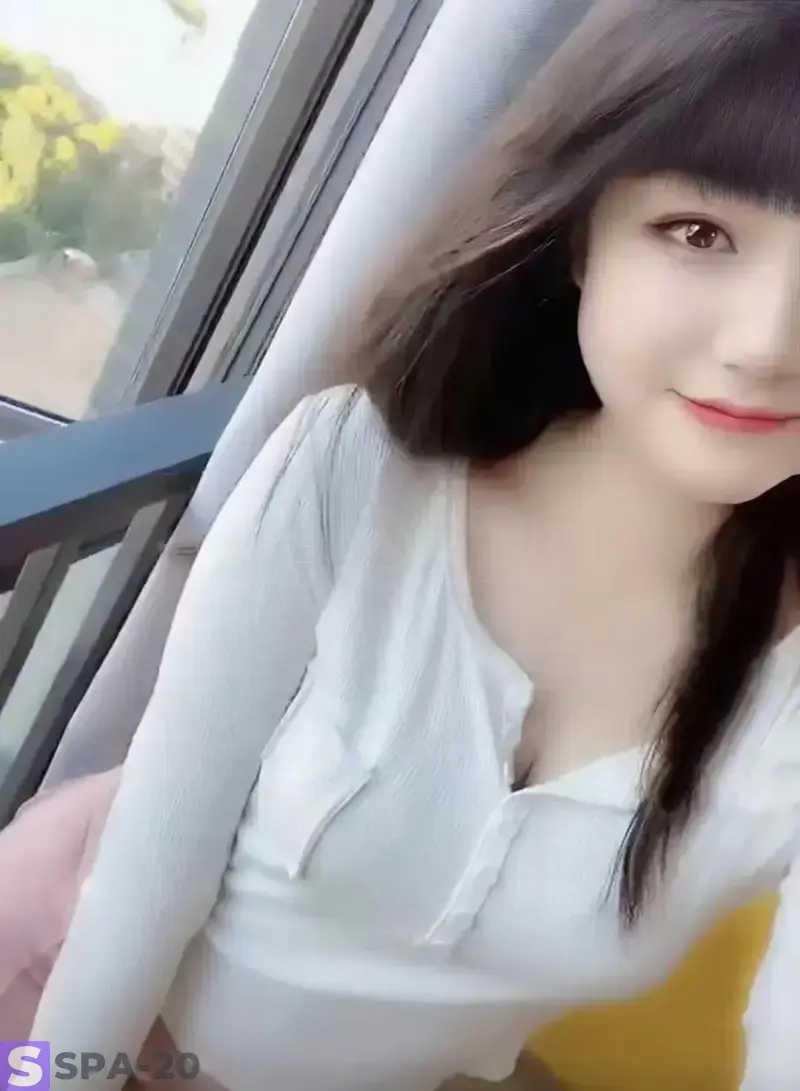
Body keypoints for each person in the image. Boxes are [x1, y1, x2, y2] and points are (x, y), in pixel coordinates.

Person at [2, 0, 800, 1087]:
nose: (765, 343)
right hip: (57, 997)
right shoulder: (357, 469)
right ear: (582, 235)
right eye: (699, 233)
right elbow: (141, 884)